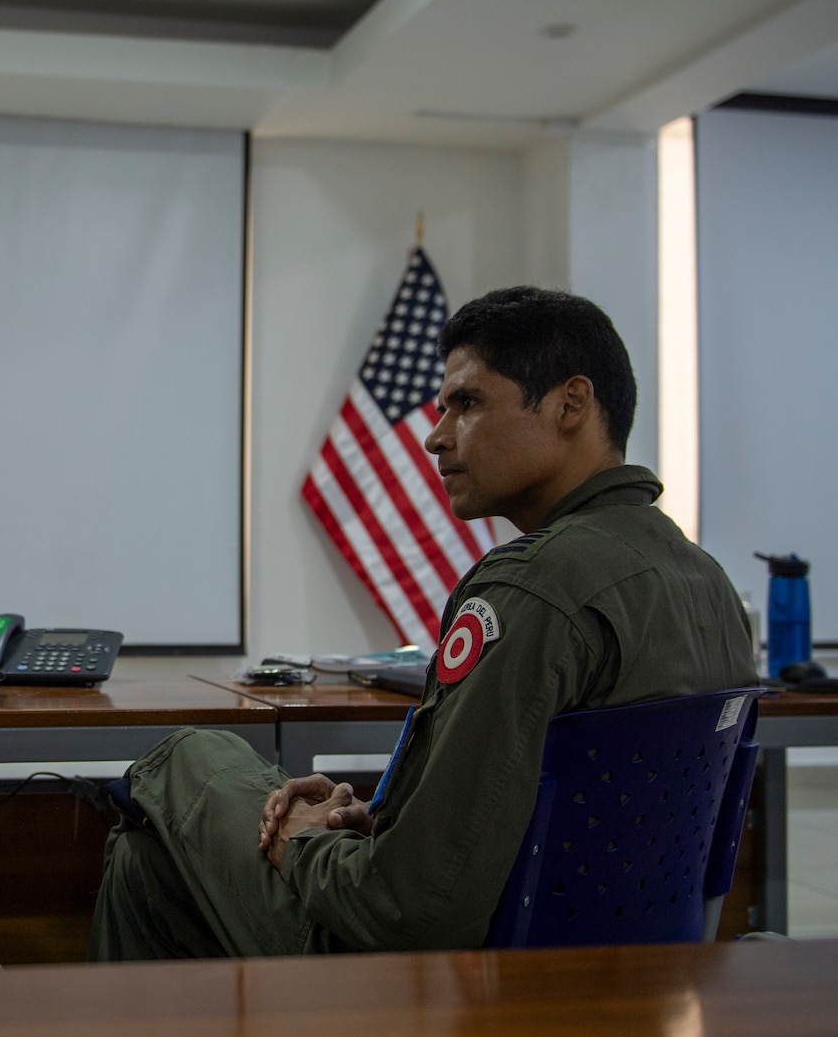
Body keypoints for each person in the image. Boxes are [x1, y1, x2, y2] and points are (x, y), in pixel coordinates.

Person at [89, 286, 756, 960]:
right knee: (146, 864)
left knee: (188, 758)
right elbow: (563, 810)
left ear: (569, 405)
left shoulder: (529, 587)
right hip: (625, 971)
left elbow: (410, 911)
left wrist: (306, 838)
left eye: (467, 403)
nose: (436, 436)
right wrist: (376, 818)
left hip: (443, 985)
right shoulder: (709, 585)